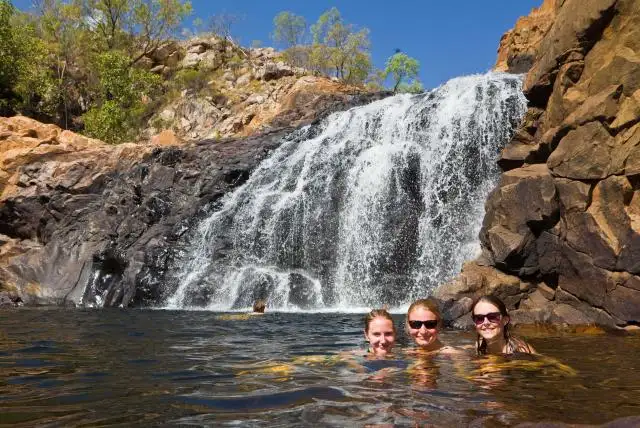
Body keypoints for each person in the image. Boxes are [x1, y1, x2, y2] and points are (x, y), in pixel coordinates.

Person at [471, 295, 536, 355]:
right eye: (479, 318)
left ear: (505, 320)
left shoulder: (522, 351)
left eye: (493, 317)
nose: (486, 323)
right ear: (474, 323)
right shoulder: (477, 347)